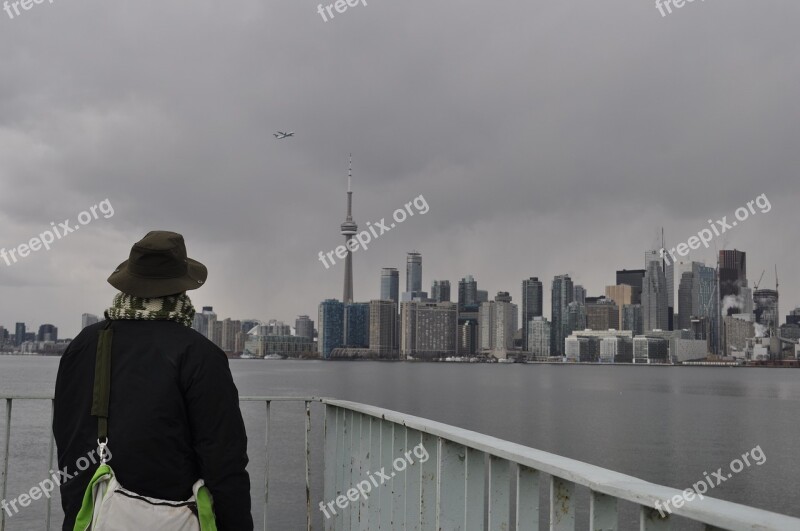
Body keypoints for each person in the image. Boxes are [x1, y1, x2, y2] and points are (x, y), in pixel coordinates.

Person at [53, 230, 253, 530]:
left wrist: (76, 510)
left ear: (129, 281)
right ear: (182, 288)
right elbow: (224, 464)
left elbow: (68, 441)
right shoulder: (199, 355)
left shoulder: (82, 345)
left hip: (92, 518)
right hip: (172, 518)